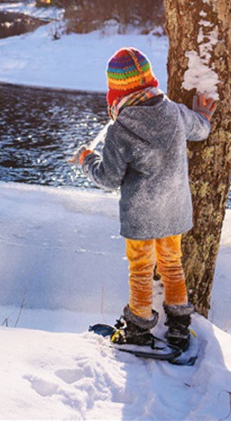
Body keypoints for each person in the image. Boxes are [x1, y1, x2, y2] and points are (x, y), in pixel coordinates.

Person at [71, 47, 216, 351]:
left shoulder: (120, 130)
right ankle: (178, 327)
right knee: (172, 265)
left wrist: (86, 159)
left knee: (140, 269)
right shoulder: (175, 112)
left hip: (141, 214)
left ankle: (138, 326)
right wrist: (202, 114)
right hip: (174, 209)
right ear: (150, 80)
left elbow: (108, 178)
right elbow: (201, 130)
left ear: (115, 91)